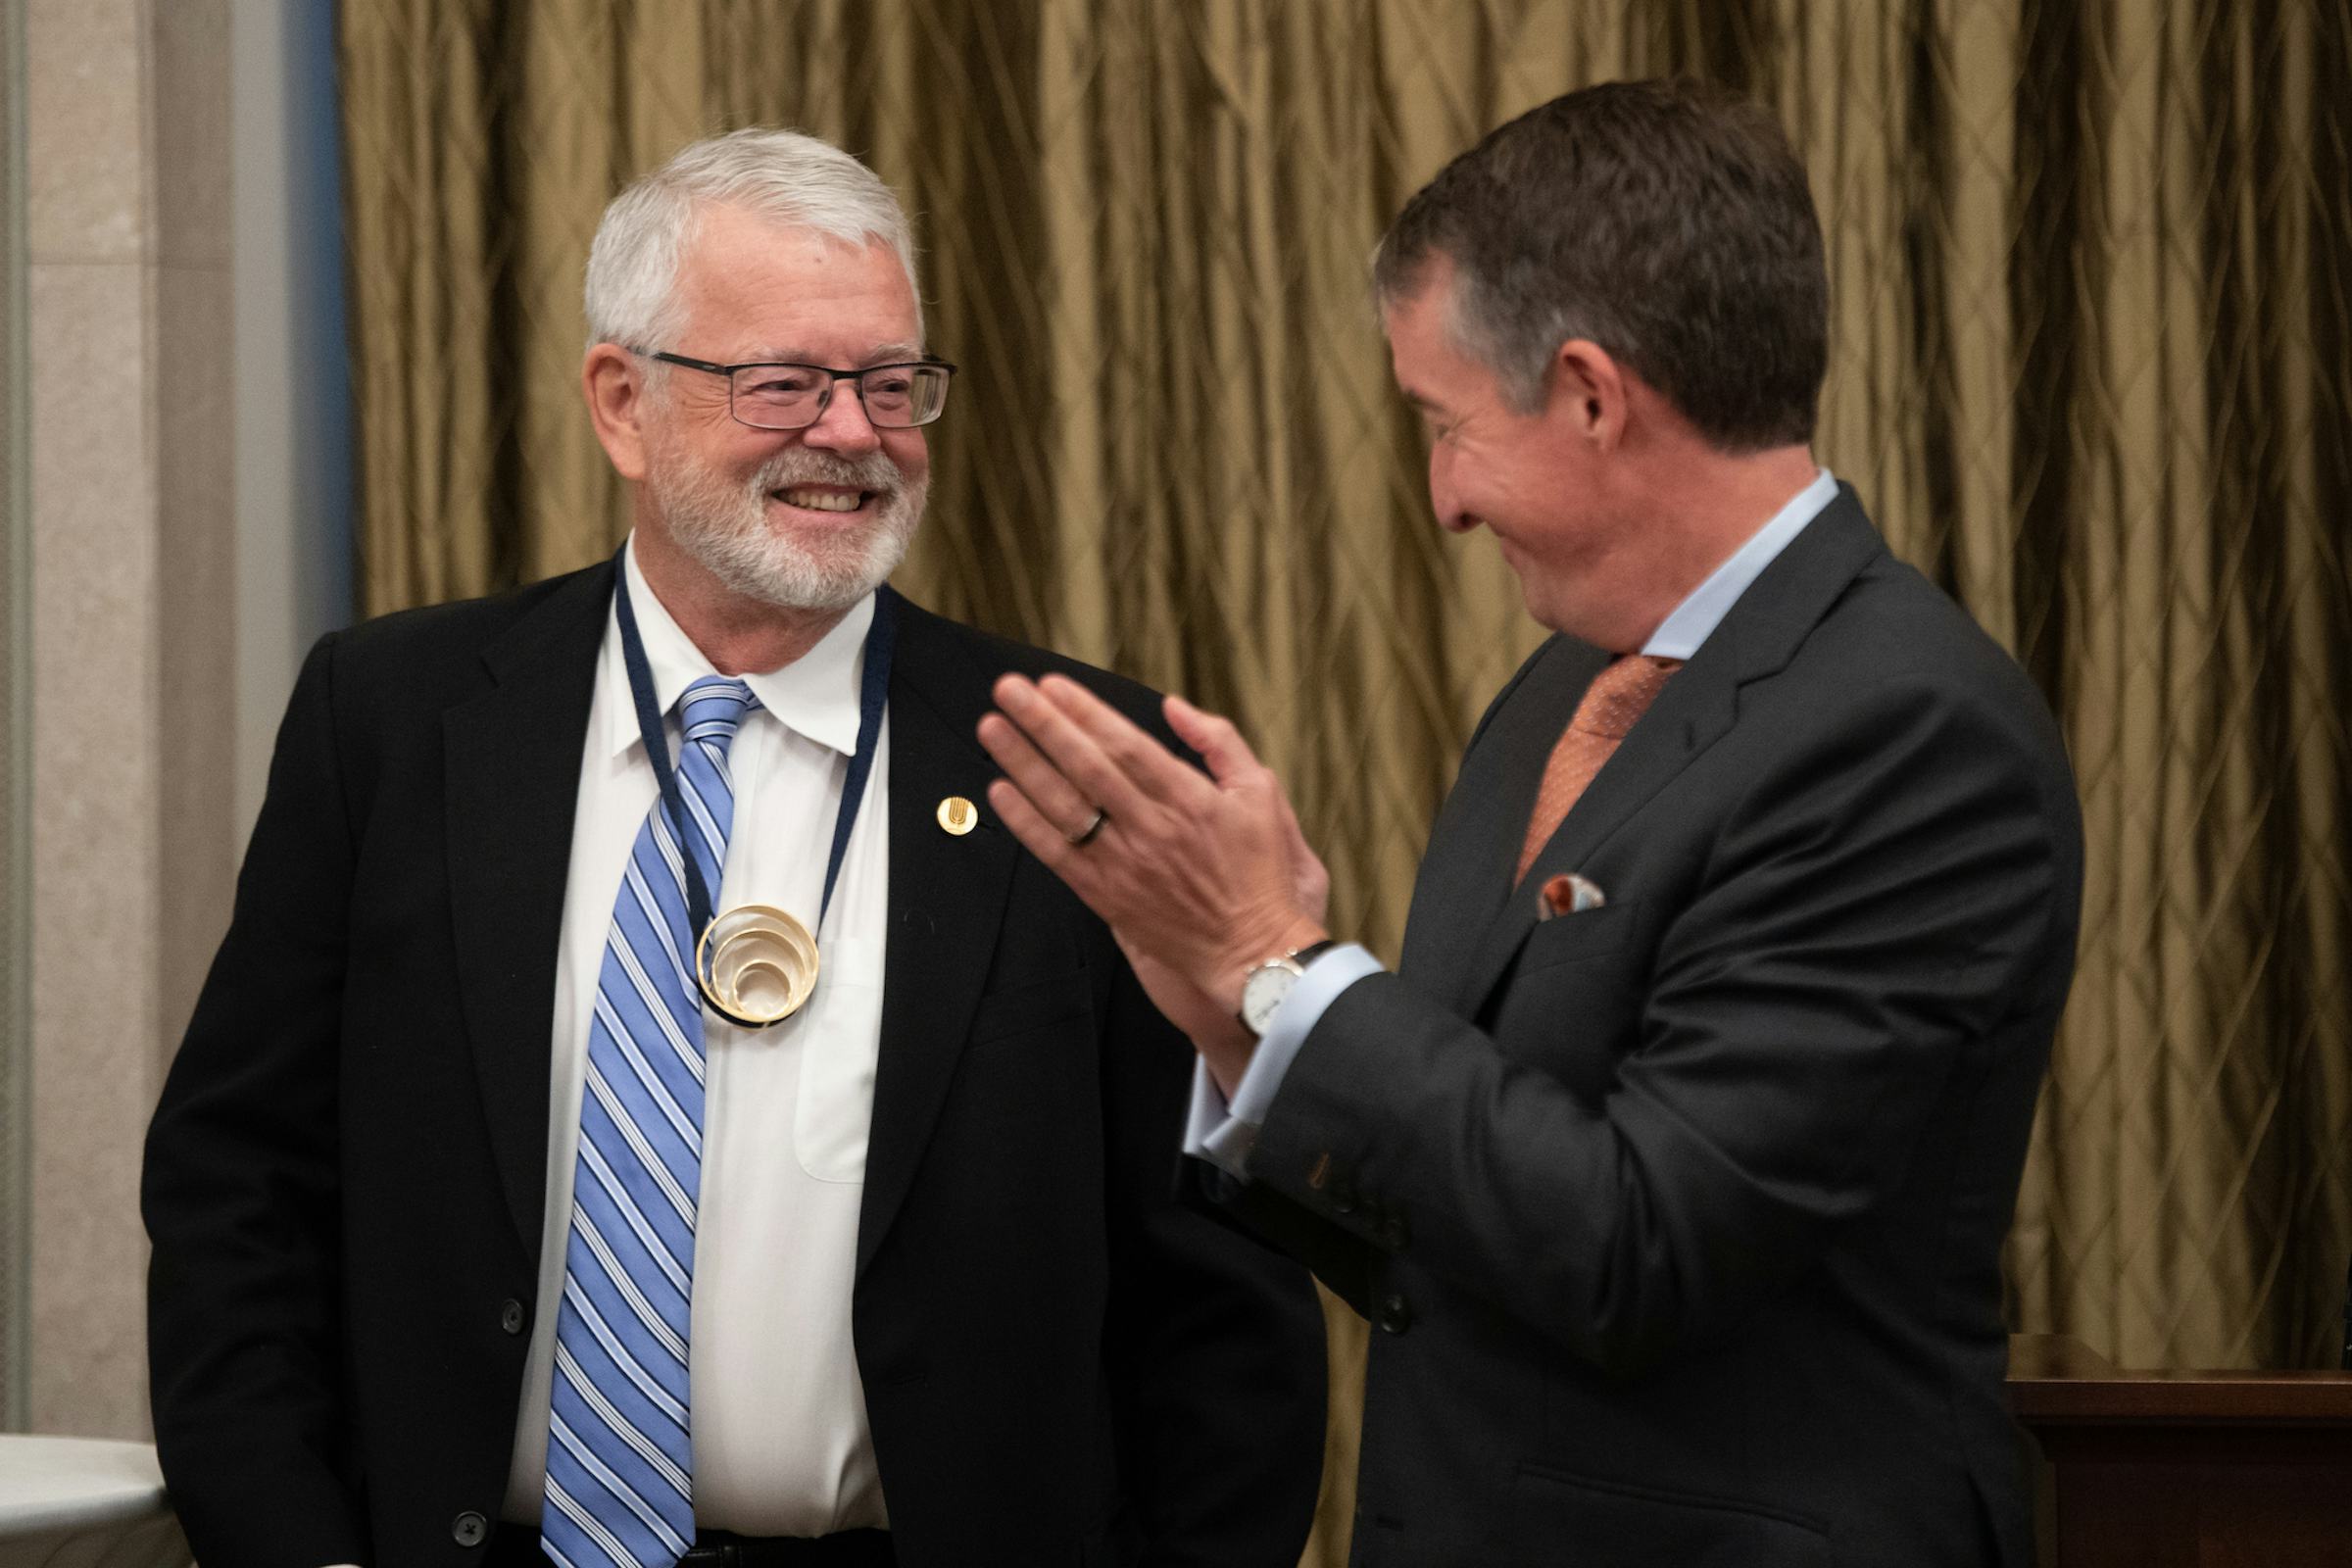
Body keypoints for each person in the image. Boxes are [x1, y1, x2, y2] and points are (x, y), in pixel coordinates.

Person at [142, 127, 1325, 1568]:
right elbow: (241, 1189)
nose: (853, 434)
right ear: (622, 403)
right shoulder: (391, 720)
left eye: (890, 383)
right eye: (783, 383)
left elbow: (1221, 1294)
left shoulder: (1081, 764)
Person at [980, 79, 2082, 1568]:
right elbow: (1470, 1228)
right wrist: (1245, 1027)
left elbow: (1643, 1250)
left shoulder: (1908, 732)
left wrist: (1283, 967)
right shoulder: (1561, 688)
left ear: (1589, 394)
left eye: (1447, 425)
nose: (1441, 501)